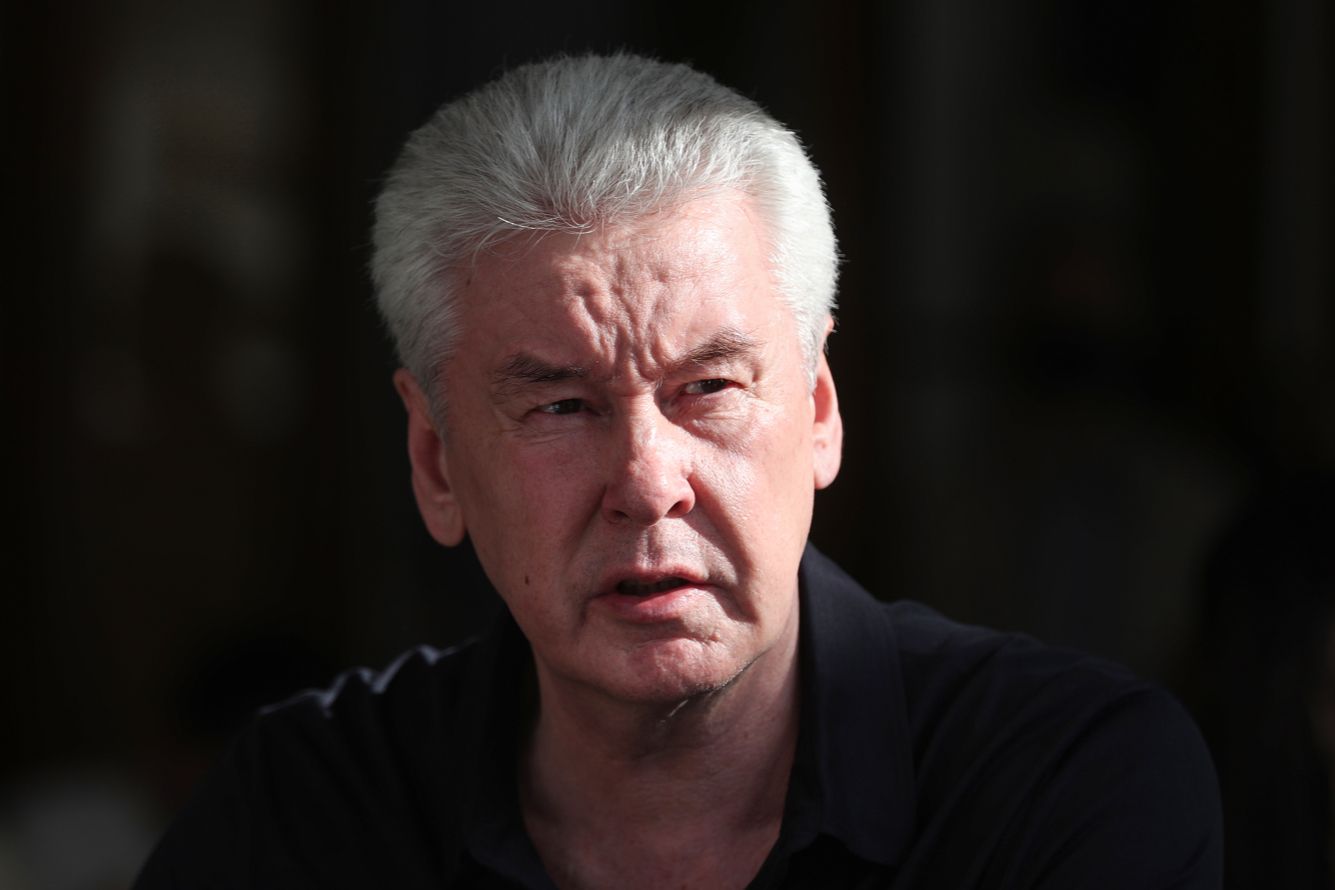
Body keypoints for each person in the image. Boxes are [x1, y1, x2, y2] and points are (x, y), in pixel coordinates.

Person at [134, 53, 1222, 889]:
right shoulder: (306, 813)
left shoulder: (1058, 785)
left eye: (708, 387)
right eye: (561, 405)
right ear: (436, 461)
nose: (649, 481)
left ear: (818, 411)